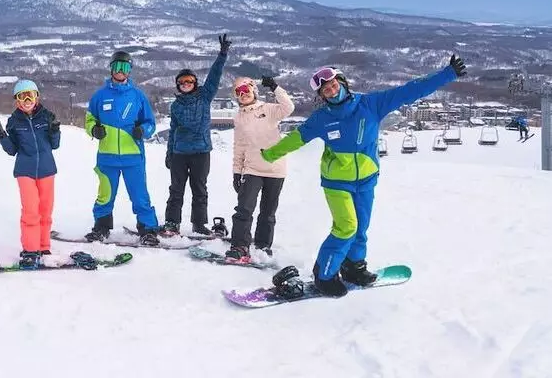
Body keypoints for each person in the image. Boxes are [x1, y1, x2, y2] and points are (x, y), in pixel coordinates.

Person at [261, 54, 467, 297]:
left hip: (367, 179)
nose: (332, 91)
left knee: (361, 228)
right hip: (336, 182)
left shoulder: (371, 105)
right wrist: (269, 155)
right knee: (346, 227)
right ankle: (324, 274)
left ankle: (354, 268)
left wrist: (448, 73)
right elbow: (296, 138)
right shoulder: (322, 119)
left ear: (343, 83)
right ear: (322, 96)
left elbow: (410, 91)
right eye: (326, 90)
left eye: (334, 85)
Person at [84, 50, 160, 246]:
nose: (120, 71)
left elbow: (150, 122)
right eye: (116, 66)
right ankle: (101, 227)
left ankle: (148, 229)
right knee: (105, 195)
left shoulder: (137, 96)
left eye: (124, 67)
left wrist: (142, 130)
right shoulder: (100, 96)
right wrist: (94, 129)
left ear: (130, 70)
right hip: (107, 157)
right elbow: (89, 119)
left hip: (133, 157)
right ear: (111, 69)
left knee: (139, 195)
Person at [162, 34, 231, 236]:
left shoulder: (205, 96)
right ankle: (172, 223)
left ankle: (199, 224)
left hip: (201, 152)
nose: (186, 85)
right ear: (178, 86)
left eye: (190, 81)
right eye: (182, 82)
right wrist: (169, 154)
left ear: (195, 83)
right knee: (176, 190)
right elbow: (173, 131)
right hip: (179, 153)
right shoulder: (175, 105)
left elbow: (215, 76)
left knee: (199, 190)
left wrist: (222, 54)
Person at [0, 80, 61, 269]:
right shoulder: (14, 121)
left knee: (45, 211)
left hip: (47, 170)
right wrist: (2, 136)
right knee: (31, 211)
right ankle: (30, 250)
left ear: (37, 96)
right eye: (23, 96)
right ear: (17, 100)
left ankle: (44, 247)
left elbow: (54, 145)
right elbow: (12, 149)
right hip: (25, 171)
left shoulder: (47, 116)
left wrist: (55, 131)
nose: (27, 100)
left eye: (31, 95)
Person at [224, 75, 295, 262]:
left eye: (245, 90)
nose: (242, 95)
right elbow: (239, 146)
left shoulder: (269, 109)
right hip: (252, 169)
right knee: (244, 209)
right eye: (238, 93)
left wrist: (275, 88)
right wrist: (236, 172)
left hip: (275, 169)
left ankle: (263, 245)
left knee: (268, 211)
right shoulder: (239, 117)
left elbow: (289, 107)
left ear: (253, 90)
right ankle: (239, 245)